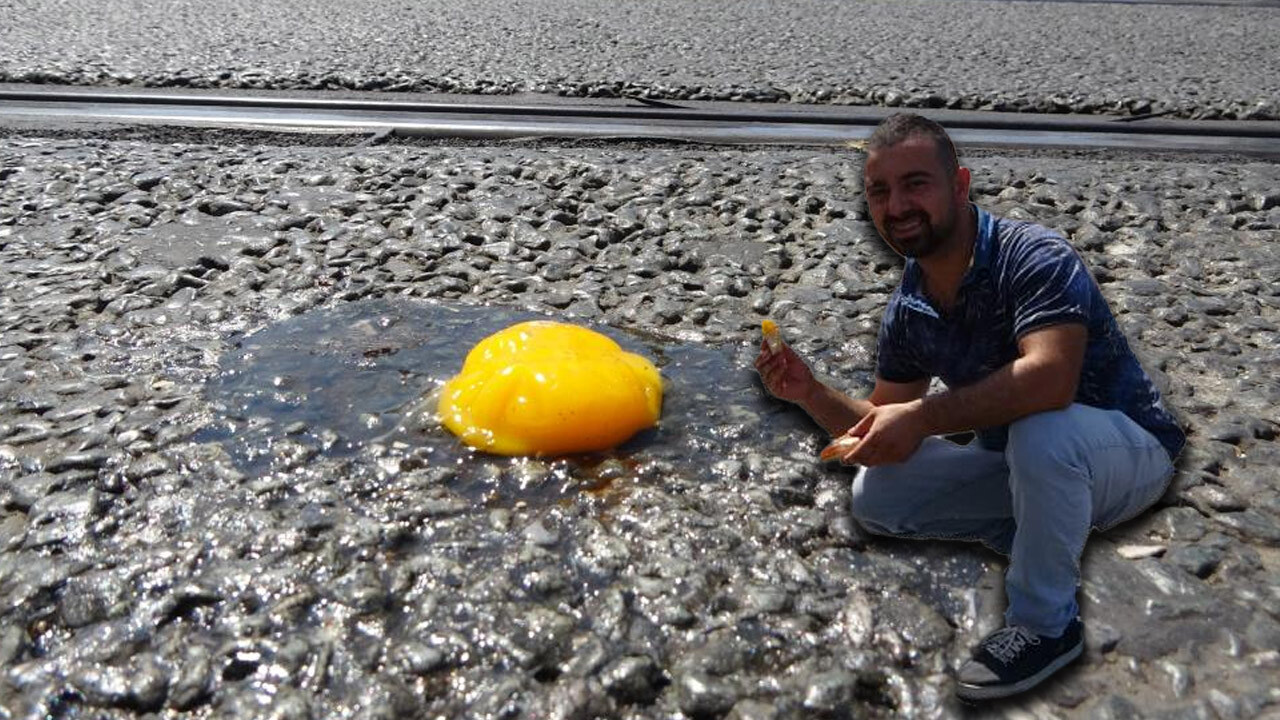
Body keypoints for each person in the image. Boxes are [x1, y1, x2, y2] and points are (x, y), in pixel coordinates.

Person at [754, 113, 1184, 701]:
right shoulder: (910, 308)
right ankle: (1043, 526)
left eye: (915, 184)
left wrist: (927, 416)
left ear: (960, 185)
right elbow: (878, 429)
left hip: (1129, 451)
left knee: (1043, 433)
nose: (897, 204)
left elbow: (1050, 380)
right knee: (877, 494)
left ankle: (1045, 626)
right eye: (879, 191)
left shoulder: (1033, 258)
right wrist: (807, 391)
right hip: (1026, 467)